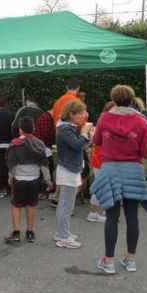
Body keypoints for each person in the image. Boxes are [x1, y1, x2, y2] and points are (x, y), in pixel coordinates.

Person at [91, 85, 147, 274]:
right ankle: (130, 259)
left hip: (110, 169)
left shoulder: (104, 118)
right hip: (133, 171)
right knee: (132, 216)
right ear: (132, 100)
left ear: (114, 100)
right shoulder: (141, 121)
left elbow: (96, 141)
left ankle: (109, 261)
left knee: (112, 216)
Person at [5, 116, 51, 243]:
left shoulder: (15, 143)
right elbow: (44, 164)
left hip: (19, 179)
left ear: (20, 129)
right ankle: (30, 232)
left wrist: (10, 178)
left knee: (16, 206)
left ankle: (16, 233)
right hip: (34, 179)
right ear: (33, 128)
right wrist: (48, 181)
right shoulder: (39, 143)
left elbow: (12, 165)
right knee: (31, 205)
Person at [54, 101, 92, 249]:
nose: (84, 116)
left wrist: (87, 135)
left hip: (70, 168)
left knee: (66, 204)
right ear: (71, 114)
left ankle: (62, 233)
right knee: (66, 205)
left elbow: (80, 145)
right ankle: (63, 237)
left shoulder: (67, 127)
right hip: (68, 170)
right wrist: (84, 133)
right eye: (81, 113)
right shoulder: (65, 129)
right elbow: (77, 145)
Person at [87, 101, 116, 223]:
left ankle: (105, 210)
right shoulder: (105, 123)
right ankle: (93, 213)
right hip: (102, 159)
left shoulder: (106, 122)